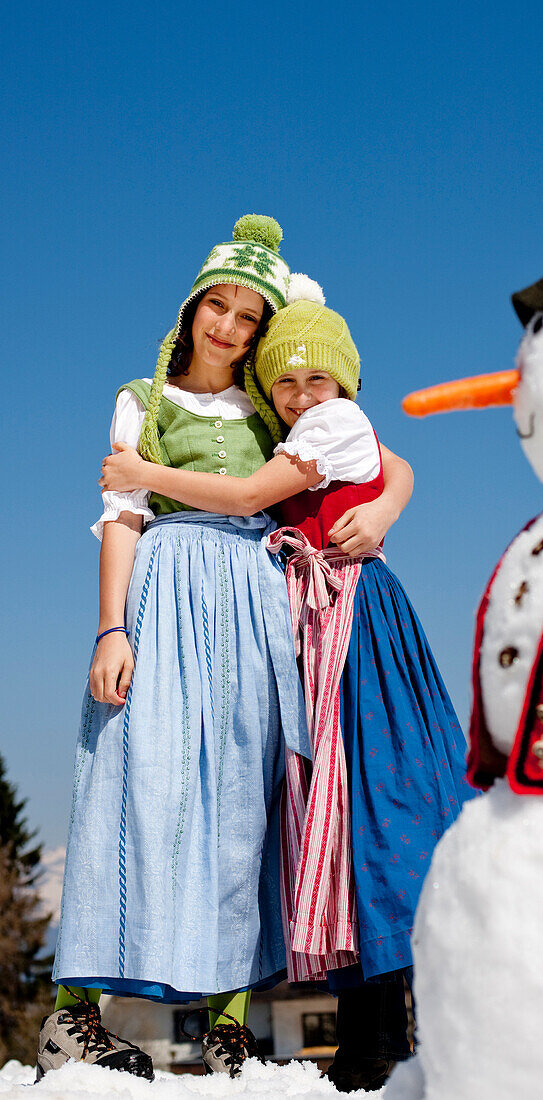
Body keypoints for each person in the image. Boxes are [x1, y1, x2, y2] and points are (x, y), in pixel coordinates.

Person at [44, 219, 413, 1083]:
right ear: (191, 310)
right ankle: (75, 1016)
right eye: (219, 306)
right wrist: (111, 626)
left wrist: (388, 509)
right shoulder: (143, 397)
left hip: (252, 599)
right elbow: (122, 519)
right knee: (136, 779)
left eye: (250, 317)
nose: (230, 329)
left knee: (243, 790)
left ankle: (228, 1021)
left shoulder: (277, 407)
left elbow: (389, 459)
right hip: (166, 593)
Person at [99, 293, 475, 1093]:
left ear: (343, 383)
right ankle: (369, 1023)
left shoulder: (327, 426)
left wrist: (140, 474)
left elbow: (246, 497)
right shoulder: (295, 430)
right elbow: (395, 462)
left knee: (368, 809)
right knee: (323, 826)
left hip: (350, 618)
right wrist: (388, 497)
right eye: (286, 381)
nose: (302, 394)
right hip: (300, 624)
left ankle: (401, 1024)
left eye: (317, 378)